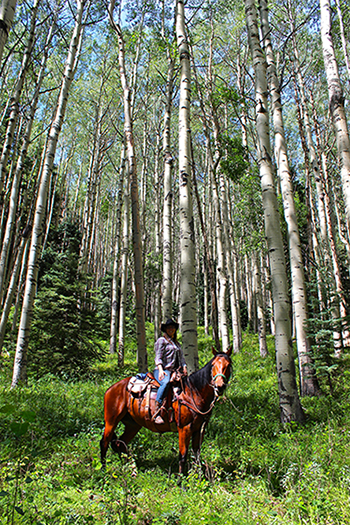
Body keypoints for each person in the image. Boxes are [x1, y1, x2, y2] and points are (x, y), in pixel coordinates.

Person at [153, 319, 187, 424]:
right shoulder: (161, 341)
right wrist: (161, 370)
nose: (171, 329)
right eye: (169, 328)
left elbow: (181, 358)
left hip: (174, 370)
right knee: (166, 382)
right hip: (163, 369)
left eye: (172, 327)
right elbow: (158, 357)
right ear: (165, 329)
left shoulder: (176, 343)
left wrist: (184, 367)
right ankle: (156, 409)